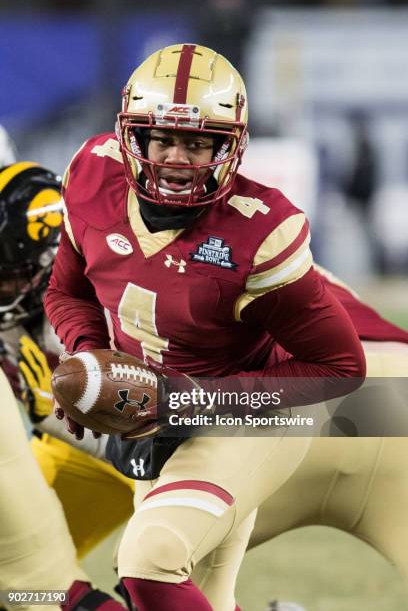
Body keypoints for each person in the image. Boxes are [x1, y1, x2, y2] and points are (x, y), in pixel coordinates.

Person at [45, 44, 365, 610]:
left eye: (198, 142)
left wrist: (190, 402)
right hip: (152, 419)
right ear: (130, 137)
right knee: (195, 595)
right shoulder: (91, 173)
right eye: (162, 138)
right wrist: (96, 366)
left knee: (150, 559)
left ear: (230, 147)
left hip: (247, 419)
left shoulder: (261, 229)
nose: (176, 158)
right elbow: (67, 292)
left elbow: (341, 366)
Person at [191, 268, 408, 610]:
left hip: (297, 410)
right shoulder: (285, 250)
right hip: (399, 390)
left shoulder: (149, 265)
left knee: (157, 566)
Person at [0, 162, 134, 611]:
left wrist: (52, 412)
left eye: (7, 277)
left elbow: (153, 446)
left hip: (146, 463)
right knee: (23, 588)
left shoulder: (103, 304)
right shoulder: (23, 311)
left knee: (149, 572)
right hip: (74, 453)